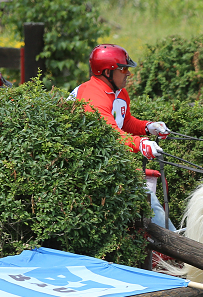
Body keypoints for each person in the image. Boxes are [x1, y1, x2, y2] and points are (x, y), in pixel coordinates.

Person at [70, 44, 177, 233]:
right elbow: (110, 134)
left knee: (150, 202)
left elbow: (124, 122)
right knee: (150, 203)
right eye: (124, 69)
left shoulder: (119, 92)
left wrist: (148, 127)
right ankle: (178, 248)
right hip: (88, 170)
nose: (128, 73)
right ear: (106, 72)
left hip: (109, 162)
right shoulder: (93, 97)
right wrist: (140, 143)